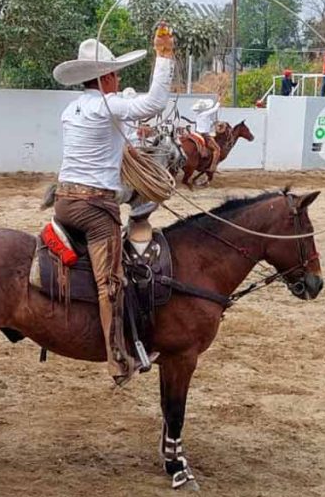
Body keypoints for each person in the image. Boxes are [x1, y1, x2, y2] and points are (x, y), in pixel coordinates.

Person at [51, 24, 175, 385]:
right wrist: (163, 57)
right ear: (105, 77)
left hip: (64, 201)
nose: (118, 81)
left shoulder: (72, 109)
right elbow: (153, 103)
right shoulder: (107, 106)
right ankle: (117, 357)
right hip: (94, 209)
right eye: (115, 75)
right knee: (111, 282)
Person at [191, 98, 221, 171]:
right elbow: (215, 108)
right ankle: (212, 167)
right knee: (217, 149)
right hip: (204, 135)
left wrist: (213, 123)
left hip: (197, 133)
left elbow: (206, 124)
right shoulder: (205, 114)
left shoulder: (199, 114)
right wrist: (219, 101)